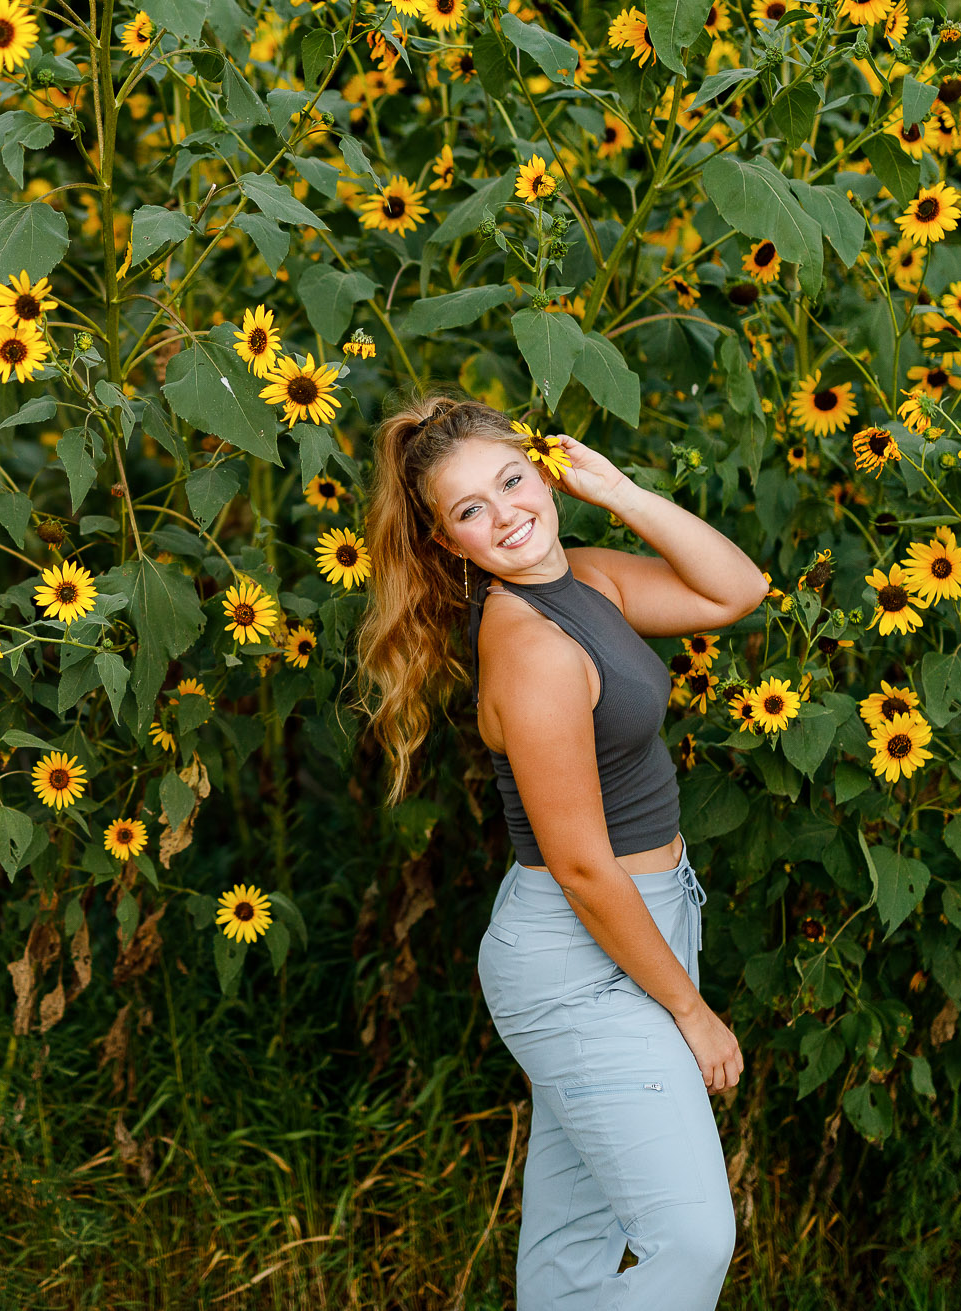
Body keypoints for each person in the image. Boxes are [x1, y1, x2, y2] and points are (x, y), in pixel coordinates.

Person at [356, 393, 768, 1309]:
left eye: (513, 479)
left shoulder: (585, 579)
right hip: (581, 952)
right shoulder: (531, 646)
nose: (505, 514)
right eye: (470, 510)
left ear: (545, 468)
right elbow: (581, 864)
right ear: (446, 544)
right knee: (691, 1238)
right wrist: (691, 1011)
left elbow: (737, 590)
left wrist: (616, 487)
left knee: (575, 1243)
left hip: (638, 924)